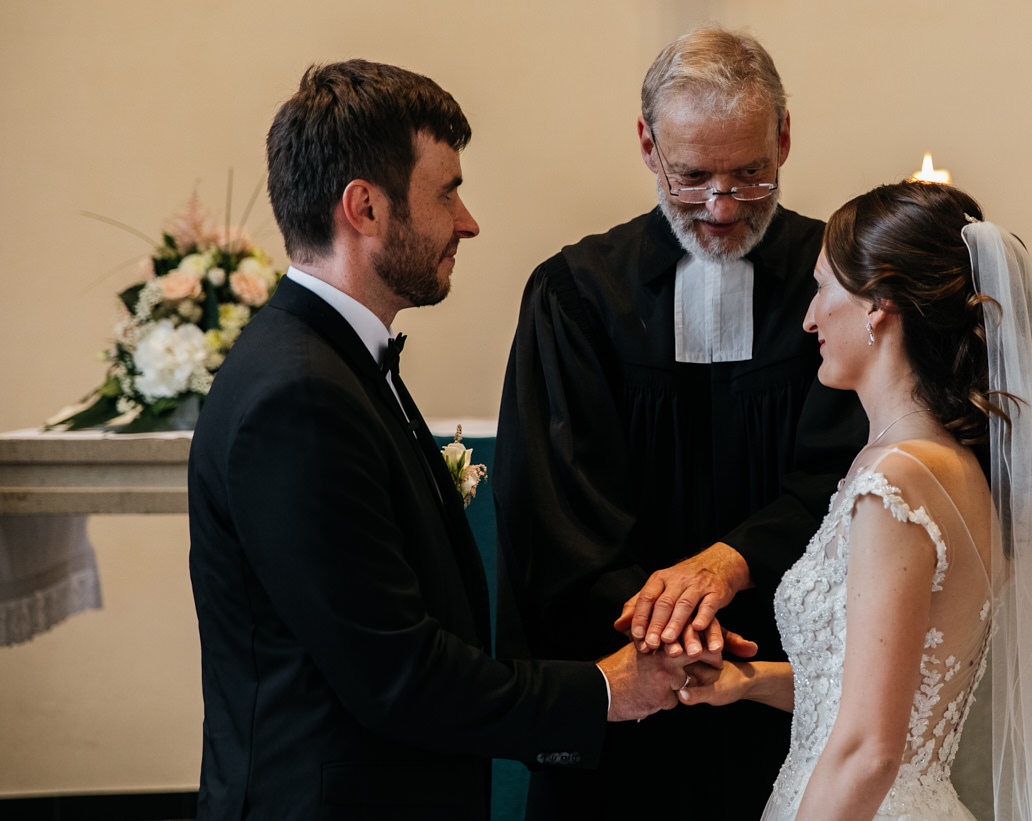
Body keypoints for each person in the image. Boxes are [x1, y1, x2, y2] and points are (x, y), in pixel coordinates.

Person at [187, 60, 695, 820]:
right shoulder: (298, 395)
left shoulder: (332, 362)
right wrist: (605, 689)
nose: (468, 220)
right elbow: (395, 672)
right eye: (446, 190)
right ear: (364, 207)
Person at [493, 26, 867, 818]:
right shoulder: (577, 293)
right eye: (692, 176)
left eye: (749, 175)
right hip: (626, 686)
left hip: (783, 687)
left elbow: (846, 471)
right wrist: (674, 635)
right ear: (646, 144)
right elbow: (556, 507)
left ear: (785, 140)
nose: (722, 206)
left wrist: (729, 564)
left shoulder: (838, 280)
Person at [679, 181, 1032, 821]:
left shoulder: (896, 483)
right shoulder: (954, 466)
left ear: (878, 304)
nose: (810, 317)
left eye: (824, 287)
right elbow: (895, 693)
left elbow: (872, 752)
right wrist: (752, 682)